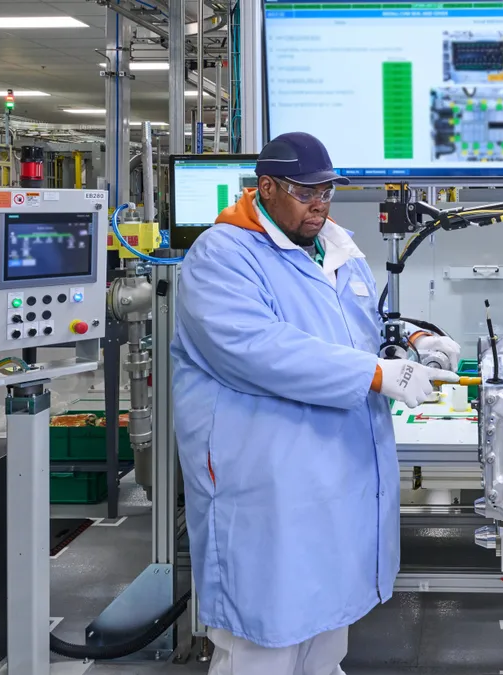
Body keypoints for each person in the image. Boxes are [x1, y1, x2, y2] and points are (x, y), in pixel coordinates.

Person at [171, 132, 460, 674]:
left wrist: (412, 339)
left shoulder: (338, 248)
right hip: (266, 479)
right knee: (264, 638)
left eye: (327, 190)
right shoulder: (221, 256)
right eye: (306, 192)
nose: (320, 202)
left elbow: (360, 327)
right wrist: (377, 373)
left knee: (327, 633)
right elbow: (258, 350)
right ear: (267, 188)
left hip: (335, 471)